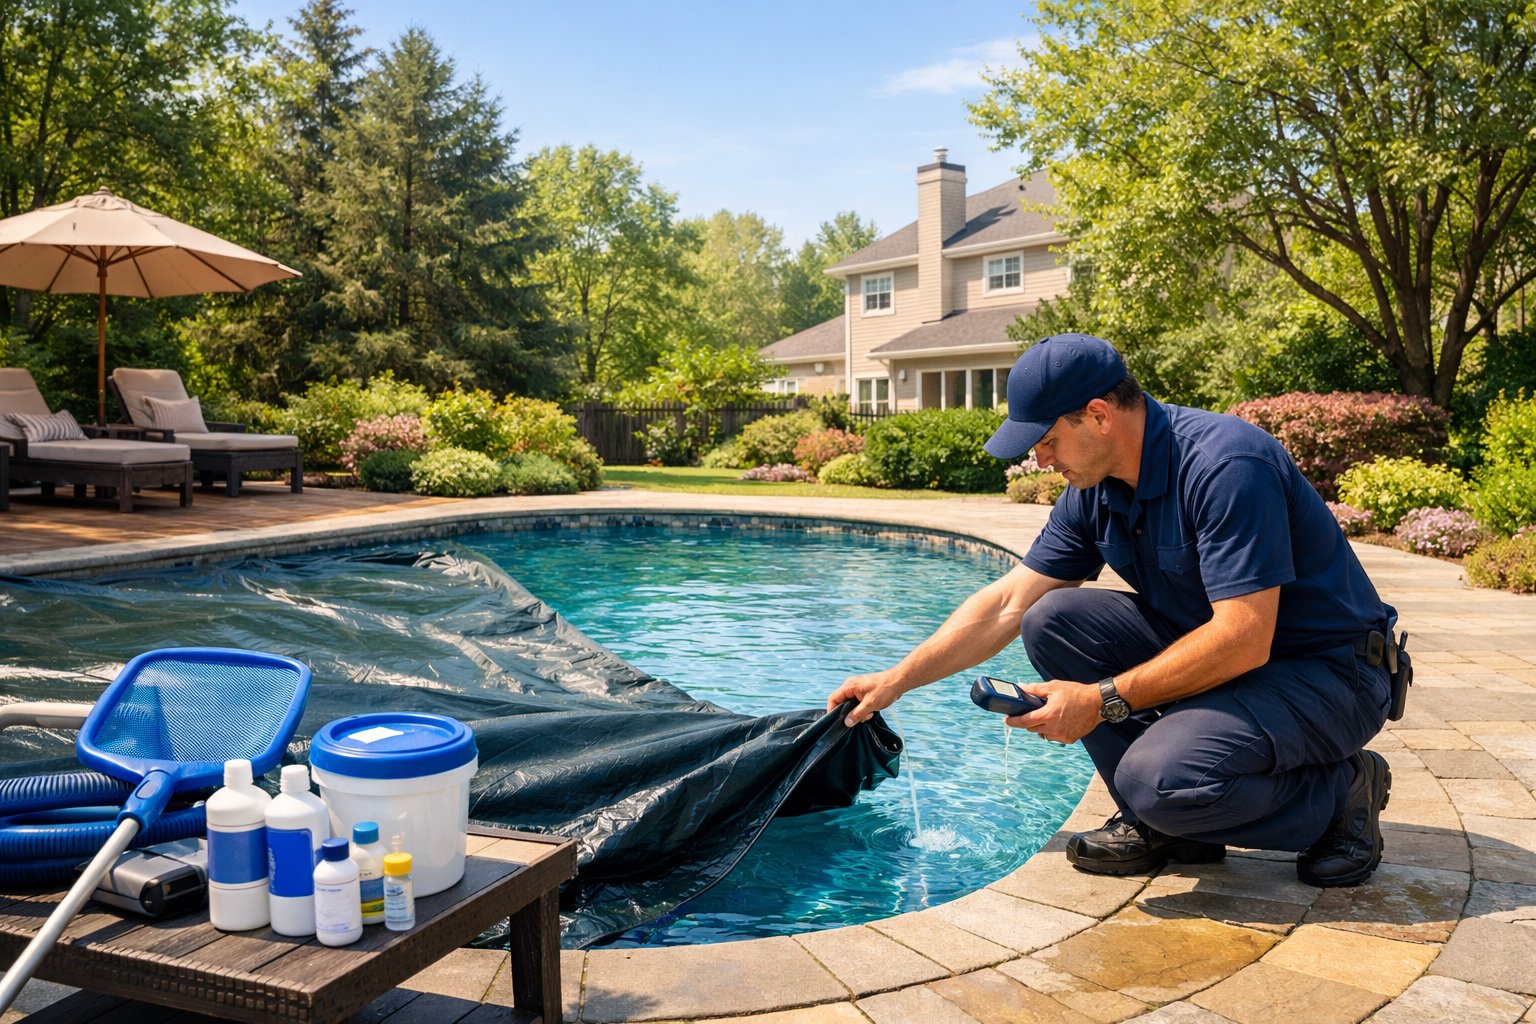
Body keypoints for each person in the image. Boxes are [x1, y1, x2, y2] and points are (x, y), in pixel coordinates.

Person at [826, 333, 1398, 887]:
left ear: (1099, 415)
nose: (1038, 458)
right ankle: (1172, 829)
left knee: (1160, 782)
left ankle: (1339, 795)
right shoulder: (1092, 490)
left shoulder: (1225, 465)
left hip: (1328, 674)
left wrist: (1102, 700)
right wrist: (896, 681)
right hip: (1235, 661)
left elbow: (1245, 637)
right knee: (1054, 619)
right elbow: (1008, 602)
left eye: (1046, 439)